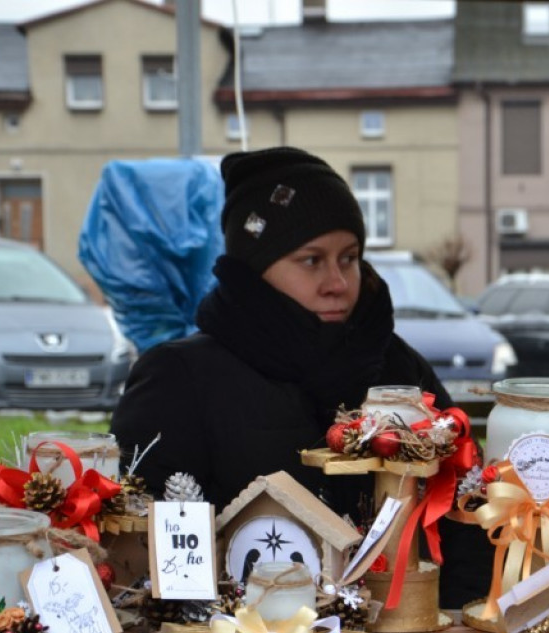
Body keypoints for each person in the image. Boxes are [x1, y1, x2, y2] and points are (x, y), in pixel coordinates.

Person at [110, 146, 490, 608]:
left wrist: (450, 622)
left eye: (349, 258)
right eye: (312, 260)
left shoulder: (396, 368)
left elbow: (468, 514)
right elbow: (136, 547)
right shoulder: (180, 378)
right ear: (256, 268)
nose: (337, 283)